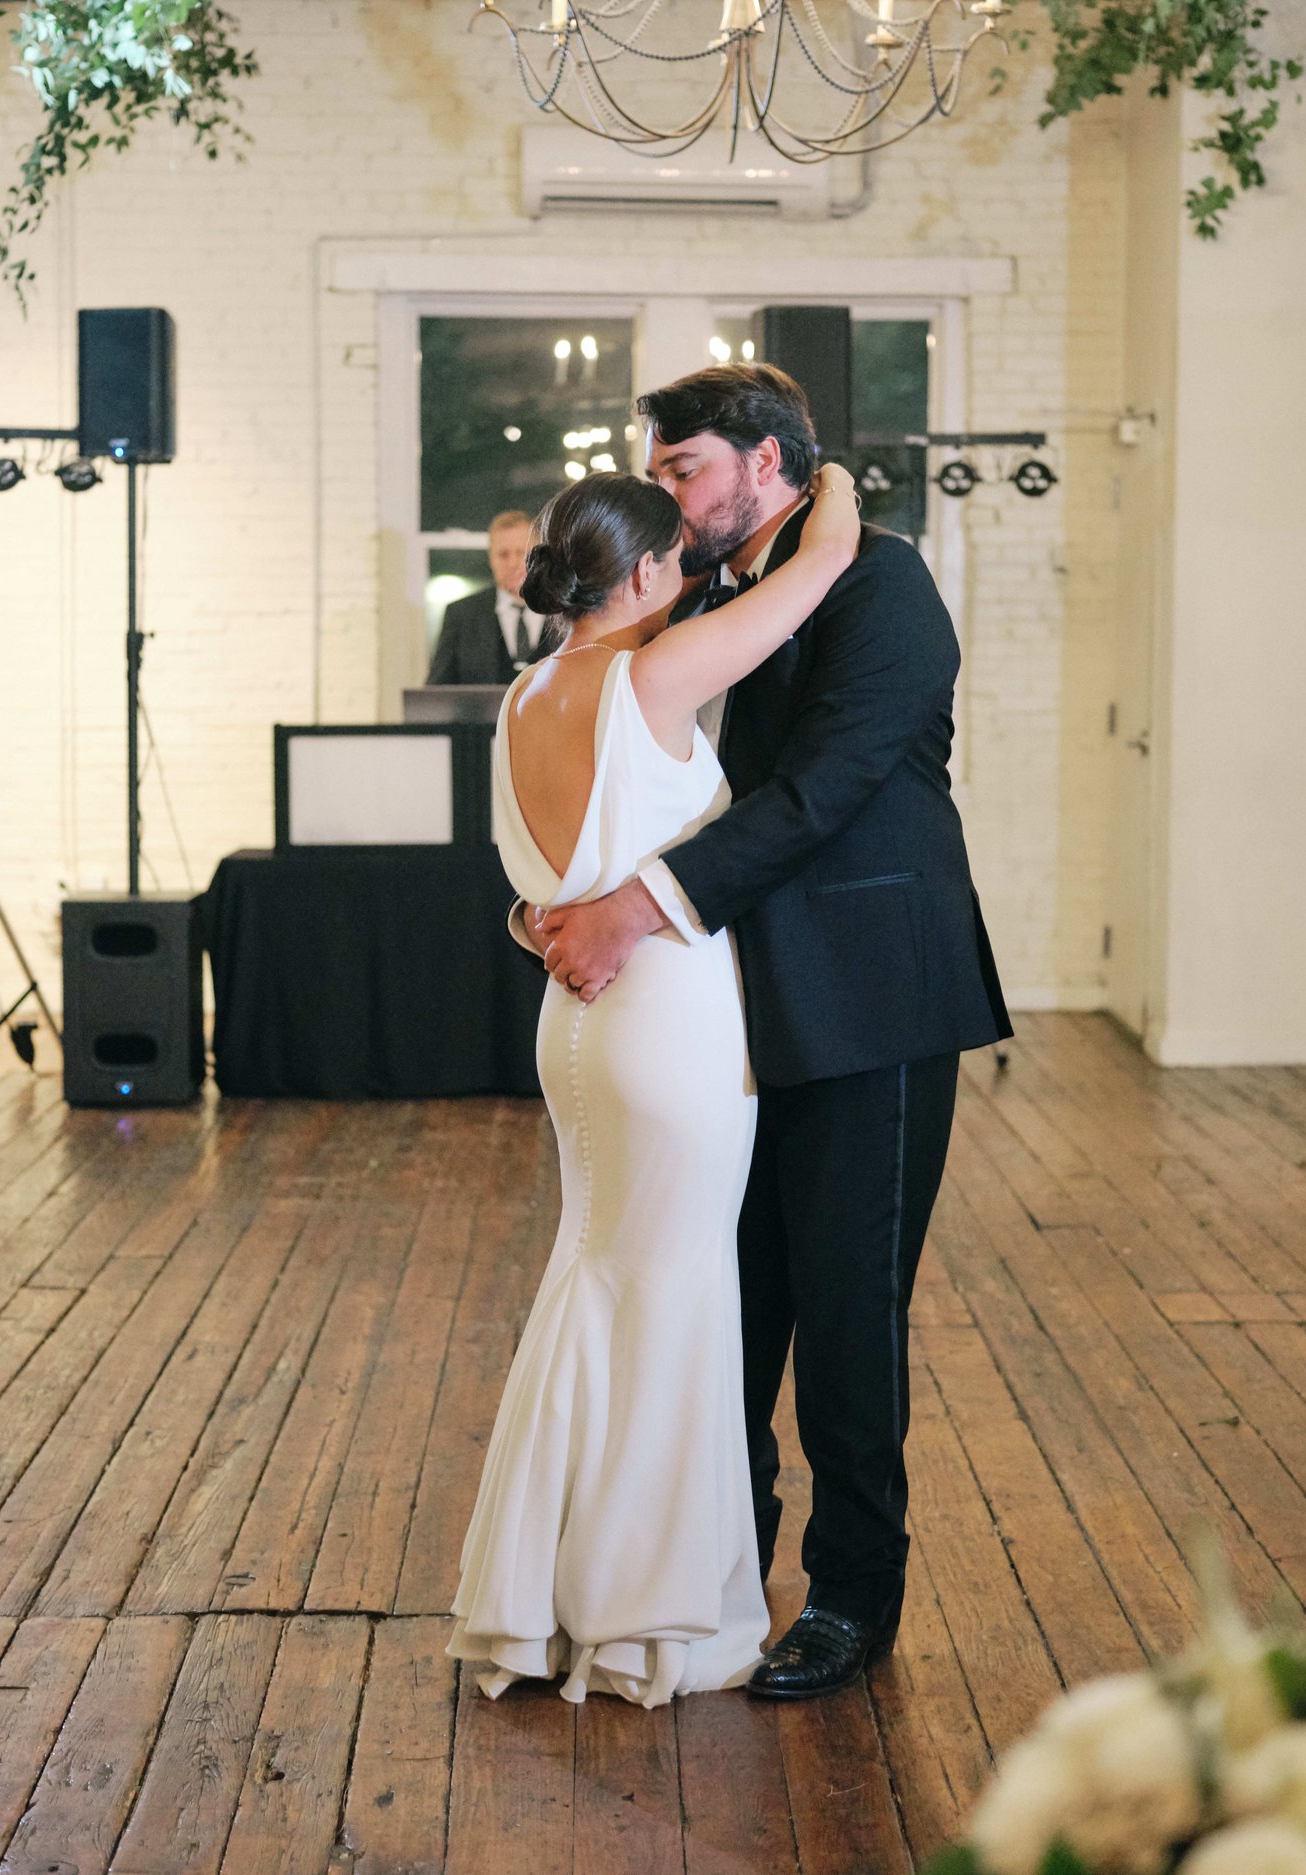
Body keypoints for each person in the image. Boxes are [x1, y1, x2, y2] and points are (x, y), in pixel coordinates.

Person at [536, 364, 1012, 1701]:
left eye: (685, 465)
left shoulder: (884, 584)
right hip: (730, 1006)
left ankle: (854, 1594)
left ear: (767, 459)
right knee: (736, 1298)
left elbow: (825, 788)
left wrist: (639, 903)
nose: (672, 498)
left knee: (853, 1313)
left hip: (875, 993)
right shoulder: (715, 591)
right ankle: (718, 1564)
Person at [446, 463, 864, 1707]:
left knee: (593, 1279)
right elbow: (825, 562)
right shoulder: (654, 673)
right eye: (677, 562)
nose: (688, 583)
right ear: (638, 574)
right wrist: (824, 469)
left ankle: (547, 1601)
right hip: (669, 1021)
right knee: (678, 1297)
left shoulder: (523, 697)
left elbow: (531, 894)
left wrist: (546, 928)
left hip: (571, 1023)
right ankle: (654, 1620)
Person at [427, 509, 560, 684]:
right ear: (491, 559)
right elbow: (437, 692)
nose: (512, 563)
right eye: (503, 554)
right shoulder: (461, 615)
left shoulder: (563, 610)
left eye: (521, 553)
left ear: (538, 556)